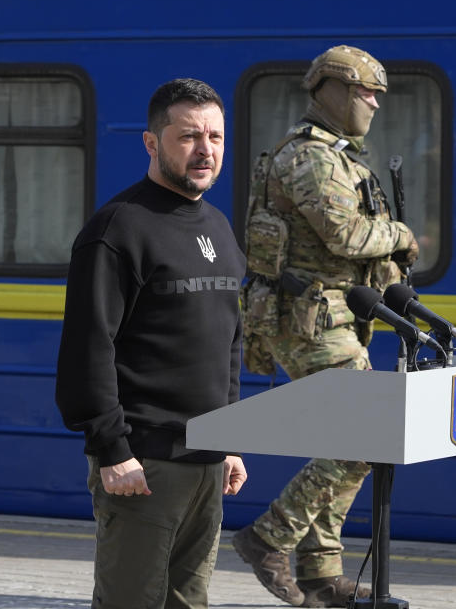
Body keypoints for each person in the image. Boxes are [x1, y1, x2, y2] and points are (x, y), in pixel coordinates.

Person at [233, 45, 419, 608]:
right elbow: (344, 234)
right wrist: (401, 234)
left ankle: (321, 573)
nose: (374, 104)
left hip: (335, 315)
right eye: (366, 93)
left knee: (356, 440)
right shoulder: (312, 158)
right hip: (306, 319)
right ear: (333, 92)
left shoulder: (344, 157)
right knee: (365, 434)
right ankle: (270, 537)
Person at [55, 78, 248, 609]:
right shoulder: (118, 230)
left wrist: (229, 438)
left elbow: (228, 341)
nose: (205, 149)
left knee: (189, 601)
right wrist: (112, 449)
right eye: (188, 136)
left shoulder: (219, 227)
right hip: (143, 464)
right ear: (151, 142)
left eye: (215, 136)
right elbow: (87, 348)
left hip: (206, 462)